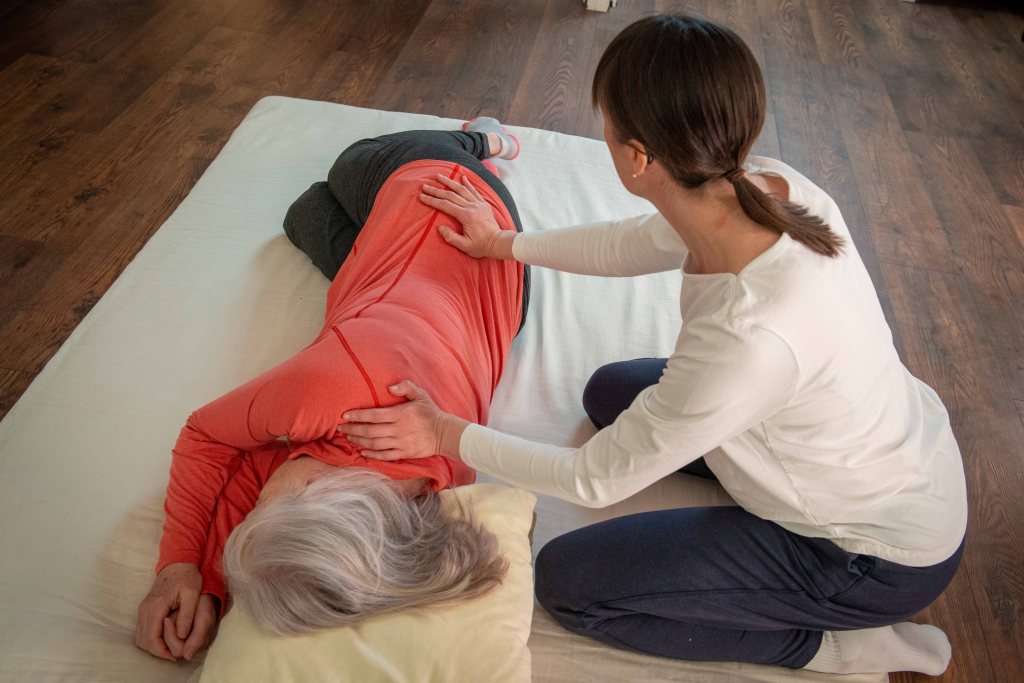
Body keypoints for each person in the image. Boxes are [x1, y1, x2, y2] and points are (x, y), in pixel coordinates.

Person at [336, 14, 968, 677]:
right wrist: (501, 244)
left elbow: (594, 479)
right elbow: (635, 242)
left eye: (607, 125)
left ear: (639, 158)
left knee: (573, 584)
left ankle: (840, 645)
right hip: (861, 444)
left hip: (867, 556)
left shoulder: (749, 333)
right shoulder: (762, 185)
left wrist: (445, 432)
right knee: (609, 394)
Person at [134, 122, 529, 661]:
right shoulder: (333, 389)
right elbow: (206, 437)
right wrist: (182, 564)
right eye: (262, 509)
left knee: (312, 208)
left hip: (499, 298)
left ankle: (467, 154)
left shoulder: (420, 498)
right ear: (319, 488)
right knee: (338, 177)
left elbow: (250, 470)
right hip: (453, 201)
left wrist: (202, 581)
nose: (254, 501)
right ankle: (486, 143)